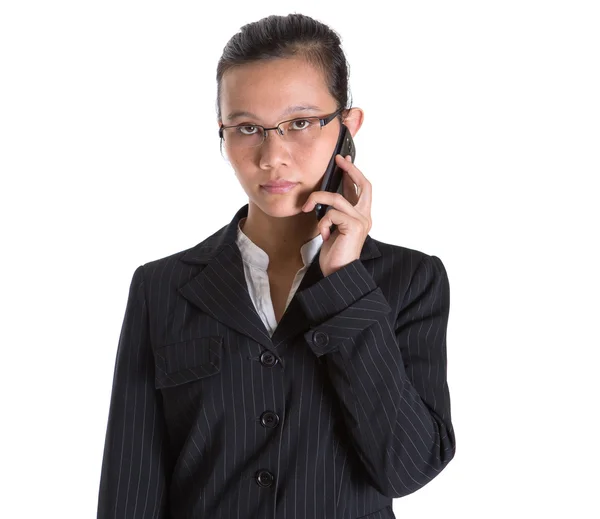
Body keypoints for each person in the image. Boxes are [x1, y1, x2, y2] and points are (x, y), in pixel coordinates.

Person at [97, 12, 456, 519]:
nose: (273, 156)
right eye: (247, 128)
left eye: (301, 123)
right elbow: (129, 487)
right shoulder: (161, 287)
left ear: (346, 127)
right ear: (222, 134)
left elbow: (408, 467)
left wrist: (346, 283)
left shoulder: (410, 281)